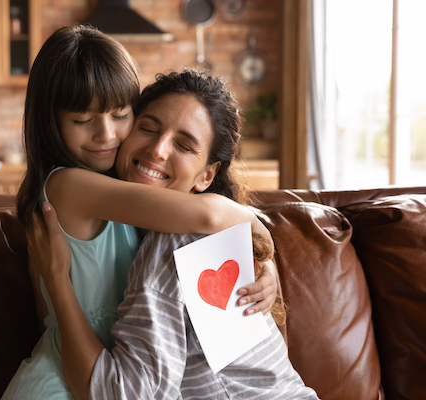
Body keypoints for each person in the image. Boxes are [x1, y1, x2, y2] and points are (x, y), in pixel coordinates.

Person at [2, 25, 278, 400]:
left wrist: (265, 265)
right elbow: (210, 216)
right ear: (50, 122)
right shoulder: (68, 186)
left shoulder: (126, 197)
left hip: (99, 368)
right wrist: (259, 229)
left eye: (121, 115)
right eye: (82, 121)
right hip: (64, 383)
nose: (106, 135)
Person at [30, 70, 320, 399]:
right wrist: (260, 246)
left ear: (207, 176)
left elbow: (121, 394)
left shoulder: (177, 243)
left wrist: (261, 242)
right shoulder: (120, 221)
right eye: (148, 128)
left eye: (183, 145)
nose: (158, 150)